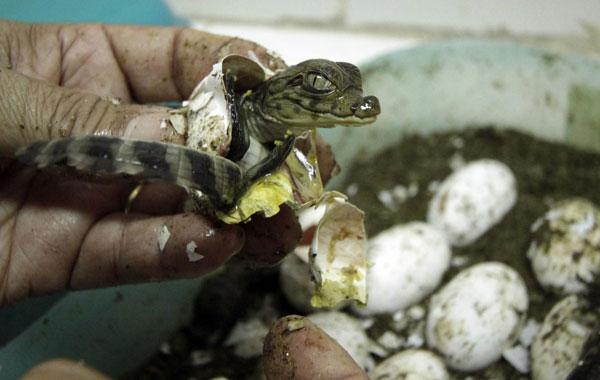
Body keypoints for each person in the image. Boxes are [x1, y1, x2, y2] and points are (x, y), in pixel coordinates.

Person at [0, 20, 369, 379]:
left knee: (234, 212)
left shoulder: (283, 144)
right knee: (226, 193)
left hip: (231, 185)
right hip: (211, 162)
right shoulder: (241, 117)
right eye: (321, 84)